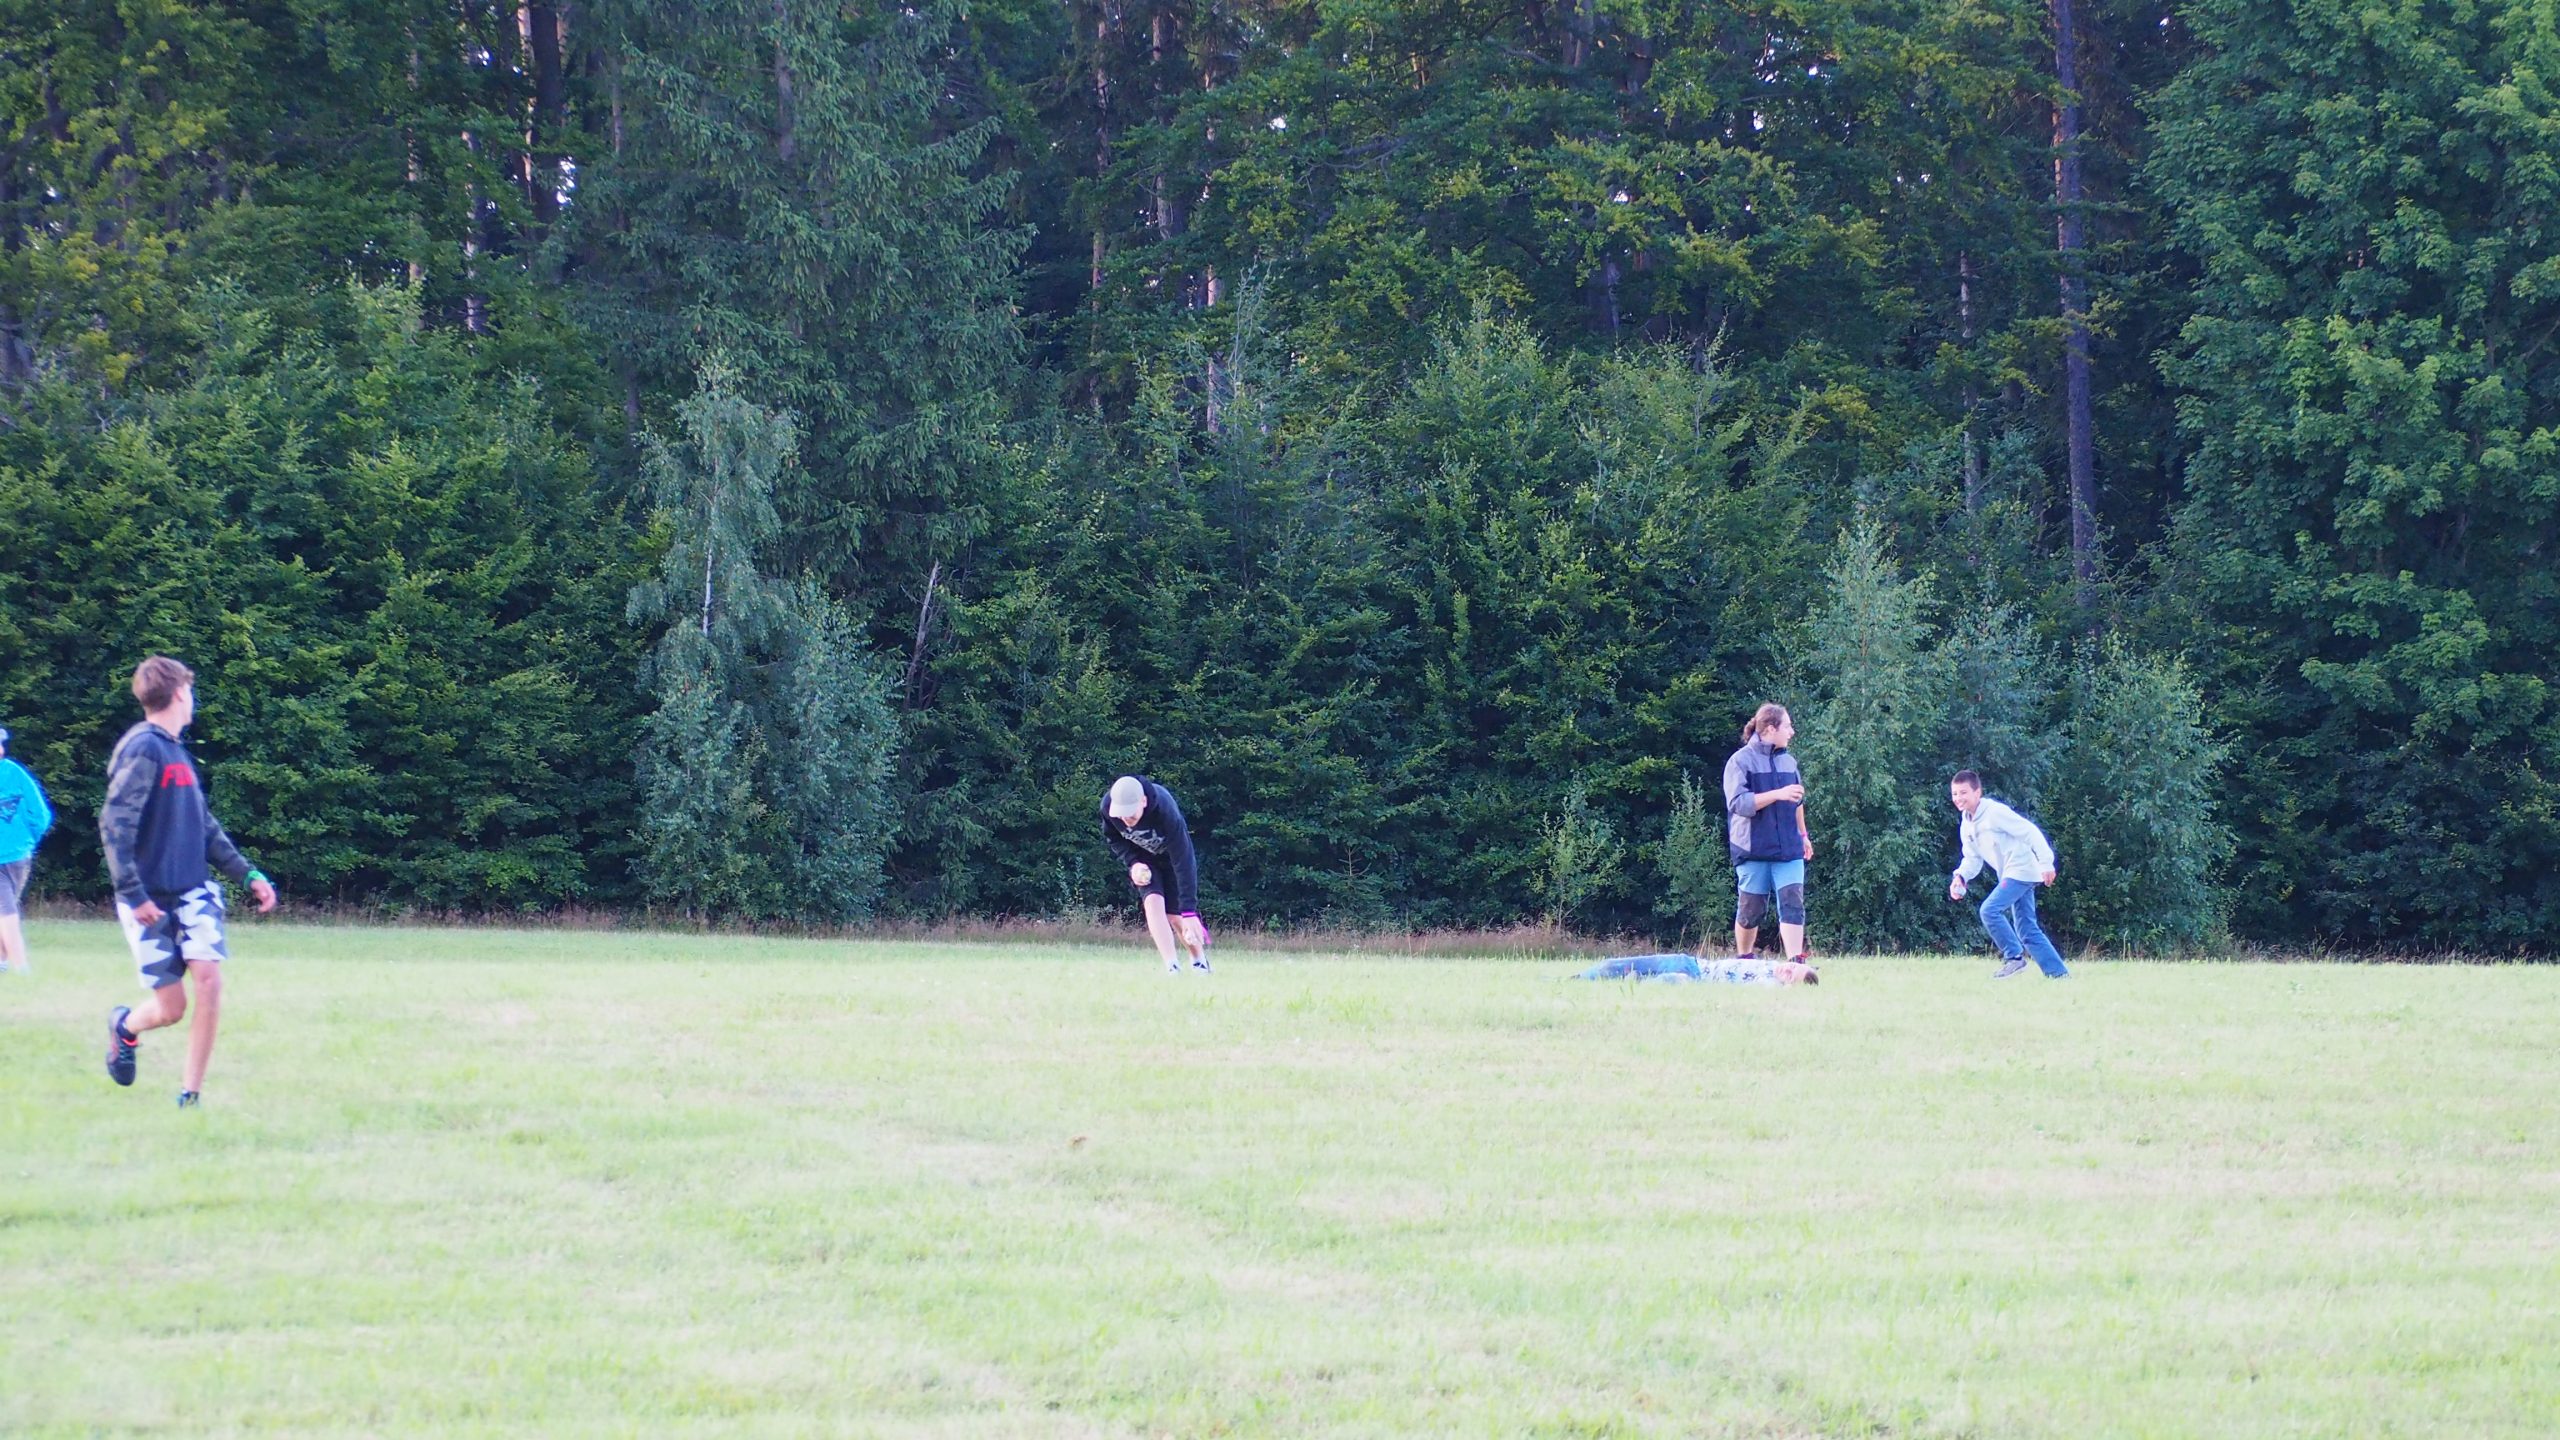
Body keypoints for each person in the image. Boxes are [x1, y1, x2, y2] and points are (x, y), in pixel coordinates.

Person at [100, 657, 279, 1105]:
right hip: (147, 900)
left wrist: (247, 874)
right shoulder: (144, 748)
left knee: (209, 979)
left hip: (193, 891)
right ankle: (124, 1027)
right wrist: (133, 893)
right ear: (180, 692)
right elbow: (115, 824)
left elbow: (204, 826)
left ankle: (190, 1095)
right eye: (191, 690)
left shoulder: (177, 751)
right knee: (171, 1009)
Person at [1946, 769, 2067, 979]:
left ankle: (2014, 959)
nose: (1958, 798)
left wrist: (2046, 862)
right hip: (2013, 874)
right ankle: (2059, 975)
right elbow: (1972, 858)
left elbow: (2029, 831)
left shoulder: (1995, 812)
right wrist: (1961, 877)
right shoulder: (1966, 823)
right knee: (2027, 929)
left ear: (1977, 792)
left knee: (1989, 910)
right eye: (1955, 793)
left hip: (2020, 870)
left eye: (1963, 792)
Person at [1718, 703, 1814, 962]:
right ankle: (1745, 960)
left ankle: (1796, 962)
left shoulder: (1789, 761)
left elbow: (1797, 802)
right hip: (1753, 849)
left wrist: (1804, 836)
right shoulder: (1739, 761)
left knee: (1793, 903)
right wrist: (1777, 794)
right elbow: (1738, 803)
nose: (1792, 732)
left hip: (1789, 848)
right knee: (1751, 910)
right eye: (1788, 726)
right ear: (1771, 729)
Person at [1100, 774, 1209, 973]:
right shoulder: (1109, 808)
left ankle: (1199, 963)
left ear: (1143, 801)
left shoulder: (1165, 810)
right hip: (1144, 860)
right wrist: (1133, 863)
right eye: (1121, 814)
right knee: (1152, 902)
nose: (1125, 819)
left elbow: (1184, 860)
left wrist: (1189, 911)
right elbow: (1114, 838)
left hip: (1171, 859)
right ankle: (1172, 967)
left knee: (1176, 917)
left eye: (1130, 814)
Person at [0, 725, 54, 974]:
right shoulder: (16, 772)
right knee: (5, 907)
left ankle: (11, 963)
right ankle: (16, 965)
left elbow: (40, 814)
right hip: (19, 853)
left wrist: (26, 842)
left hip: (18, 856)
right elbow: (39, 815)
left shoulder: (14, 772)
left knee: (6, 908)